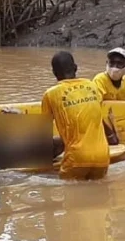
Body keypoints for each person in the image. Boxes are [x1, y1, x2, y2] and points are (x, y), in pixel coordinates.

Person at [42, 51, 112, 181]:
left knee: (70, 194)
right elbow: (96, 117)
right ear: (75, 68)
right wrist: (111, 136)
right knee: (98, 197)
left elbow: (42, 131)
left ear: (54, 73)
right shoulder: (93, 86)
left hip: (77, 158)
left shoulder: (50, 94)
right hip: (103, 156)